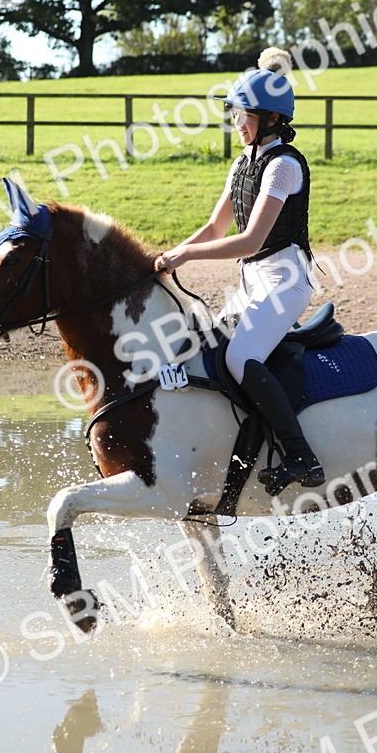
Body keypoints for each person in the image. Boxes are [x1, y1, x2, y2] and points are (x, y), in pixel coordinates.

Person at [153, 48, 325, 493]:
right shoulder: (241, 164)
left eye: (242, 114)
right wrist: (167, 254)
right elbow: (215, 227)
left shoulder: (284, 166)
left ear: (270, 118)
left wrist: (185, 259)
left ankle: (302, 456)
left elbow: (249, 241)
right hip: (254, 283)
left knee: (239, 358)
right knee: (208, 347)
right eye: (233, 114)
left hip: (285, 283)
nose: (235, 122)